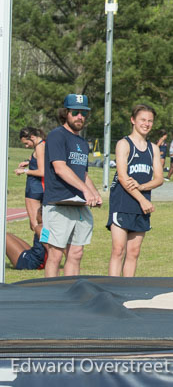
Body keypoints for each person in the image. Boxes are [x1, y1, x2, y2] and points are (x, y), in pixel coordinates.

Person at [41, 94, 103, 278]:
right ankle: (51, 297)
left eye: (84, 113)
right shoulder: (56, 136)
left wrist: (94, 193)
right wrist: (85, 190)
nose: (80, 117)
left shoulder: (82, 142)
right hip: (58, 203)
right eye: (75, 112)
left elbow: (82, 174)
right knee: (55, 255)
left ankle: (71, 295)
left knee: (76, 254)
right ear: (66, 113)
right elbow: (60, 168)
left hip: (78, 204)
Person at [108, 104, 163, 277]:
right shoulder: (124, 144)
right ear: (133, 120)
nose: (146, 124)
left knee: (134, 251)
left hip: (142, 205)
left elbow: (159, 178)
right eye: (142, 120)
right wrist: (142, 199)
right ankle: (112, 289)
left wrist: (143, 188)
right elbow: (123, 178)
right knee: (118, 249)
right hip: (123, 203)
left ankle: (127, 289)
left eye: (150, 121)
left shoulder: (152, 148)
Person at [15, 126, 45, 239]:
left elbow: (42, 172)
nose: (26, 146)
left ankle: (44, 254)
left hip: (35, 190)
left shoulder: (40, 147)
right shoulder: (42, 144)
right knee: (40, 225)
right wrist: (28, 161)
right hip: (39, 188)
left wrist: (24, 171)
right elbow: (38, 160)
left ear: (32, 137)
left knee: (35, 226)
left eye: (27, 143)